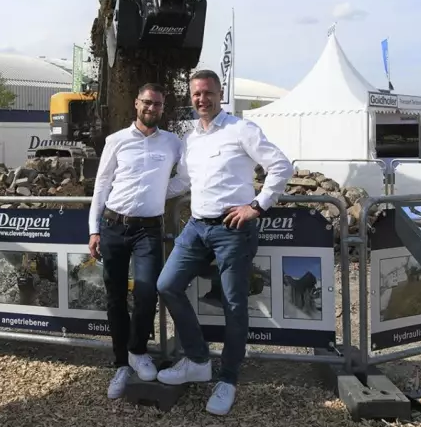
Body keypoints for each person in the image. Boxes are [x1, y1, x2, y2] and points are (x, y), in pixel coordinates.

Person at [157, 69, 294, 416]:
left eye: (207, 93)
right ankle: (199, 360)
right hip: (196, 227)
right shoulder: (191, 139)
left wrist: (257, 206)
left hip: (233, 229)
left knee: (234, 304)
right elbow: (183, 182)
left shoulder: (241, 129)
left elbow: (280, 166)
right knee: (167, 285)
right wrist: (145, 194)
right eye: (196, 94)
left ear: (220, 94)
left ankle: (228, 378)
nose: (201, 99)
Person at [88, 83, 183, 399]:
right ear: (136, 103)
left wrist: (161, 193)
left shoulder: (172, 143)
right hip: (113, 226)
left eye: (157, 104)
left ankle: (137, 351)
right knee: (115, 298)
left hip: (148, 231)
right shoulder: (116, 141)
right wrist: (94, 229)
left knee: (146, 292)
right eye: (147, 102)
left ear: (162, 108)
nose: (151, 108)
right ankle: (120, 364)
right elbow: (101, 186)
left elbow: (188, 176)